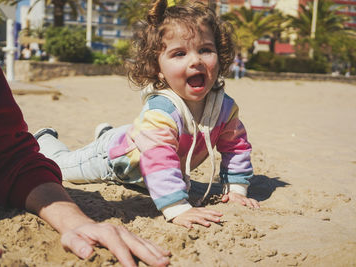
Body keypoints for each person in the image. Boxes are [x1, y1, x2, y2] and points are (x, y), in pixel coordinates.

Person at [35, 0, 260, 230]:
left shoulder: (224, 108)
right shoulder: (162, 112)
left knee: (135, 140)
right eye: (179, 53)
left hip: (142, 158)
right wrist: (178, 207)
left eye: (205, 50)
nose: (195, 60)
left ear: (219, 54)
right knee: (60, 167)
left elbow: (236, 147)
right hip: (113, 161)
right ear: (157, 68)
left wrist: (236, 190)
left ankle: (107, 131)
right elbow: (159, 157)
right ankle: (44, 138)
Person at [0, 29, 170, 267]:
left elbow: (6, 154)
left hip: (104, 149)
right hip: (105, 156)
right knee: (71, 162)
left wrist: (75, 222)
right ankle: (49, 138)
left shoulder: (221, 108)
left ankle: (53, 138)